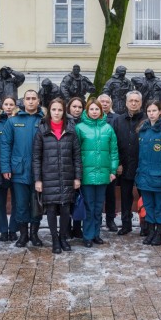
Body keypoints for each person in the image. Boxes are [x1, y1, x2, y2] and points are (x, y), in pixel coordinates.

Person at [33, 98, 82, 253]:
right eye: (54, 109)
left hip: (67, 176)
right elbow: (36, 157)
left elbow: (77, 156)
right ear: (49, 111)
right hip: (49, 177)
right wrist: (38, 179)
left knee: (66, 209)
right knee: (52, 209)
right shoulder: (42, 130)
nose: (56, 113)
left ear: (64, 111)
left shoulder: (71, 130)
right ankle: (55, 240)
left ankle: (63, 238)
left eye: (60, 110)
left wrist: (77, 177)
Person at [0, 90, 45, 248]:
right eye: (28, 99)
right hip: (19, 170)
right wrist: (5, 167)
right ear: (23, 101)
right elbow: (5, 145)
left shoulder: (44, 121)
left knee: (36, 204)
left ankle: (34, 234)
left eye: (34, 99)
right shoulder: (13, 121)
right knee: (20, 204)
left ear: (38, 101)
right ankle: (23, 235)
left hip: (40, 171)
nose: (31, 101)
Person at [75, 98, 118, 247]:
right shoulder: (80, 128)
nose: (94, 112)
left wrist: (113, 170)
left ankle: (96, 234)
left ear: (101, 111)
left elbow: (113, 151)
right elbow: (76, 153)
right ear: (87, 111)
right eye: (91, 109)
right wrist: (77, 174)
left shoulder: (108, 128)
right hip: (86, 175)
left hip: (103, 174)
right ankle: (87, 235)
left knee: (99, 206)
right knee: (88, 206)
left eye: (97, 109)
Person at [135, 101, 161, 246]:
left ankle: (159, 233)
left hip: (159, 177)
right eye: (149, 111)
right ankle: (150, 231)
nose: (151, 113)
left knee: (160, 206)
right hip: (144, 176)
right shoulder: (143, 130)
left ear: (160, 112)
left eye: (154, 111)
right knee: (148, 205)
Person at [112, 90, 146, 235]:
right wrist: (118, 163)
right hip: (124, 166)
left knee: (144, 197)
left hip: (142, 166)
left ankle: (145, 225)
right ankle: (126, 225)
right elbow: (114, 143)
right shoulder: (118, 120)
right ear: (126, 103)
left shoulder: (146, 119)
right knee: (126, 196)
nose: (133, 103)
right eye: (131, 100)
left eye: (136, 101)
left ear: (141, 103)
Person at [0, 97, 19, 242]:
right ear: (2, 106)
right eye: (6, 104)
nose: (8, 107)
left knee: (17, 202)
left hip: (16, 169)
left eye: (11, 104)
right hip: (1, 170)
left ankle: (13, 229)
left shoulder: (19, 123)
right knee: (0, 202)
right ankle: (3, 229)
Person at [65, 97, 85, 238]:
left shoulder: (85, 122)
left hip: (81, 165)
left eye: (79, 107)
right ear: (69, 107)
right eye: (74, 106)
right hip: (66, 165)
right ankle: (66, 228)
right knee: (66, 199)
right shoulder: (64, 122)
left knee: (79, 198)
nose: (77, 109)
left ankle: (77, 227)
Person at [98, 94, 118, 231]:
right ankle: (97, 219)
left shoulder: (116, 119)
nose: (104, 104)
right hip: (94, 163)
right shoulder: (89, 118)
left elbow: (118, 144)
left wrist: (117, 165)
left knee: (110, 194)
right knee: (96, 195)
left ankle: (110, 220)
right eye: (102, 102)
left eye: (107, 102)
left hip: (110, 163)